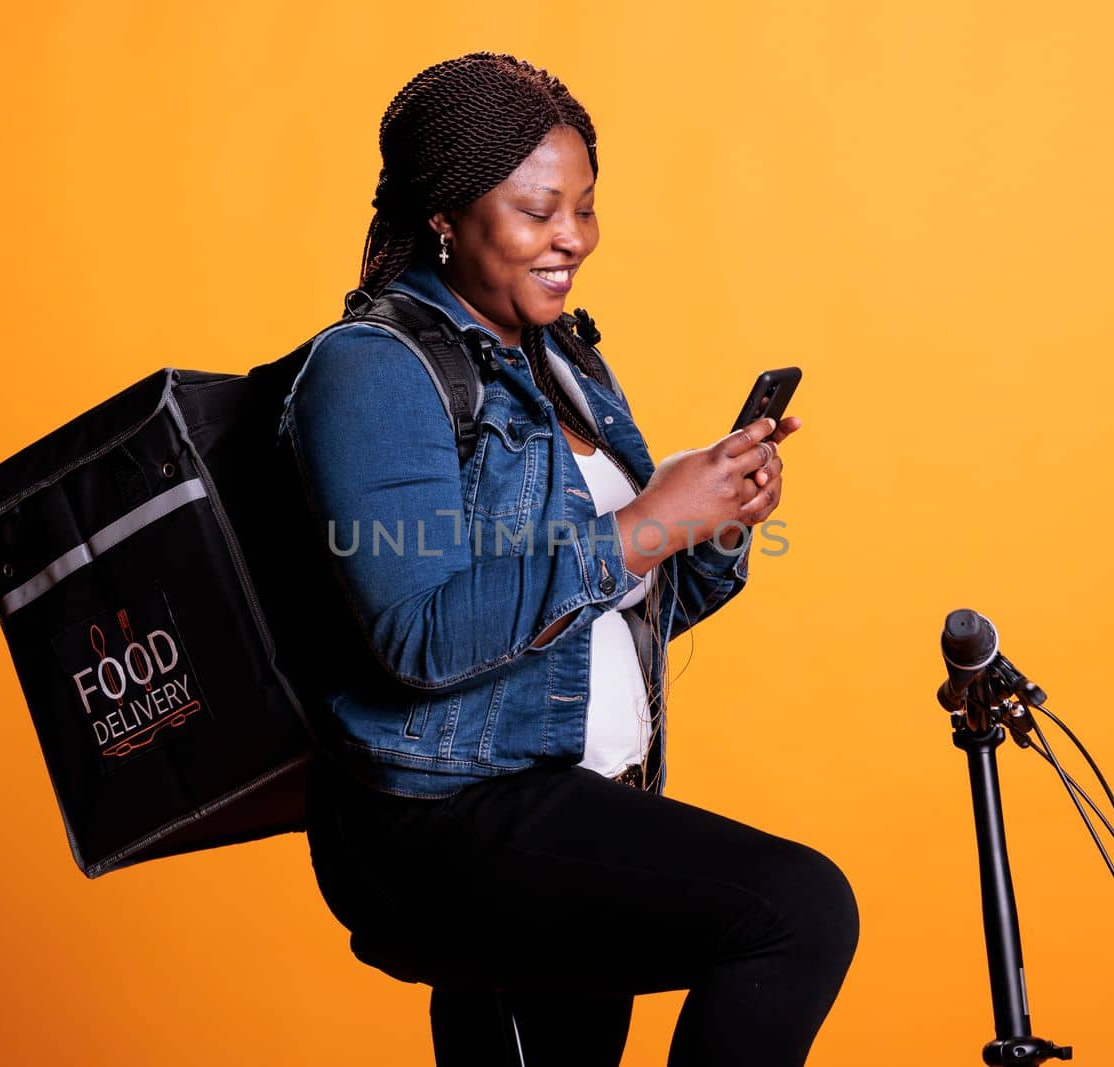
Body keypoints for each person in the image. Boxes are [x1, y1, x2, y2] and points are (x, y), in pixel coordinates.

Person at [281, 52, 858, 1067]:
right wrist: (644, 523)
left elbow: (598, 620)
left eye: (585, 209)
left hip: (579, 796)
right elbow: (412, 633)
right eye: (538, 211)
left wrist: (709, 522)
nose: (572, 240)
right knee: (797, 906)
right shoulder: (372, 369)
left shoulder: (565, 362)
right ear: (444, 216)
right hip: (445, 822)